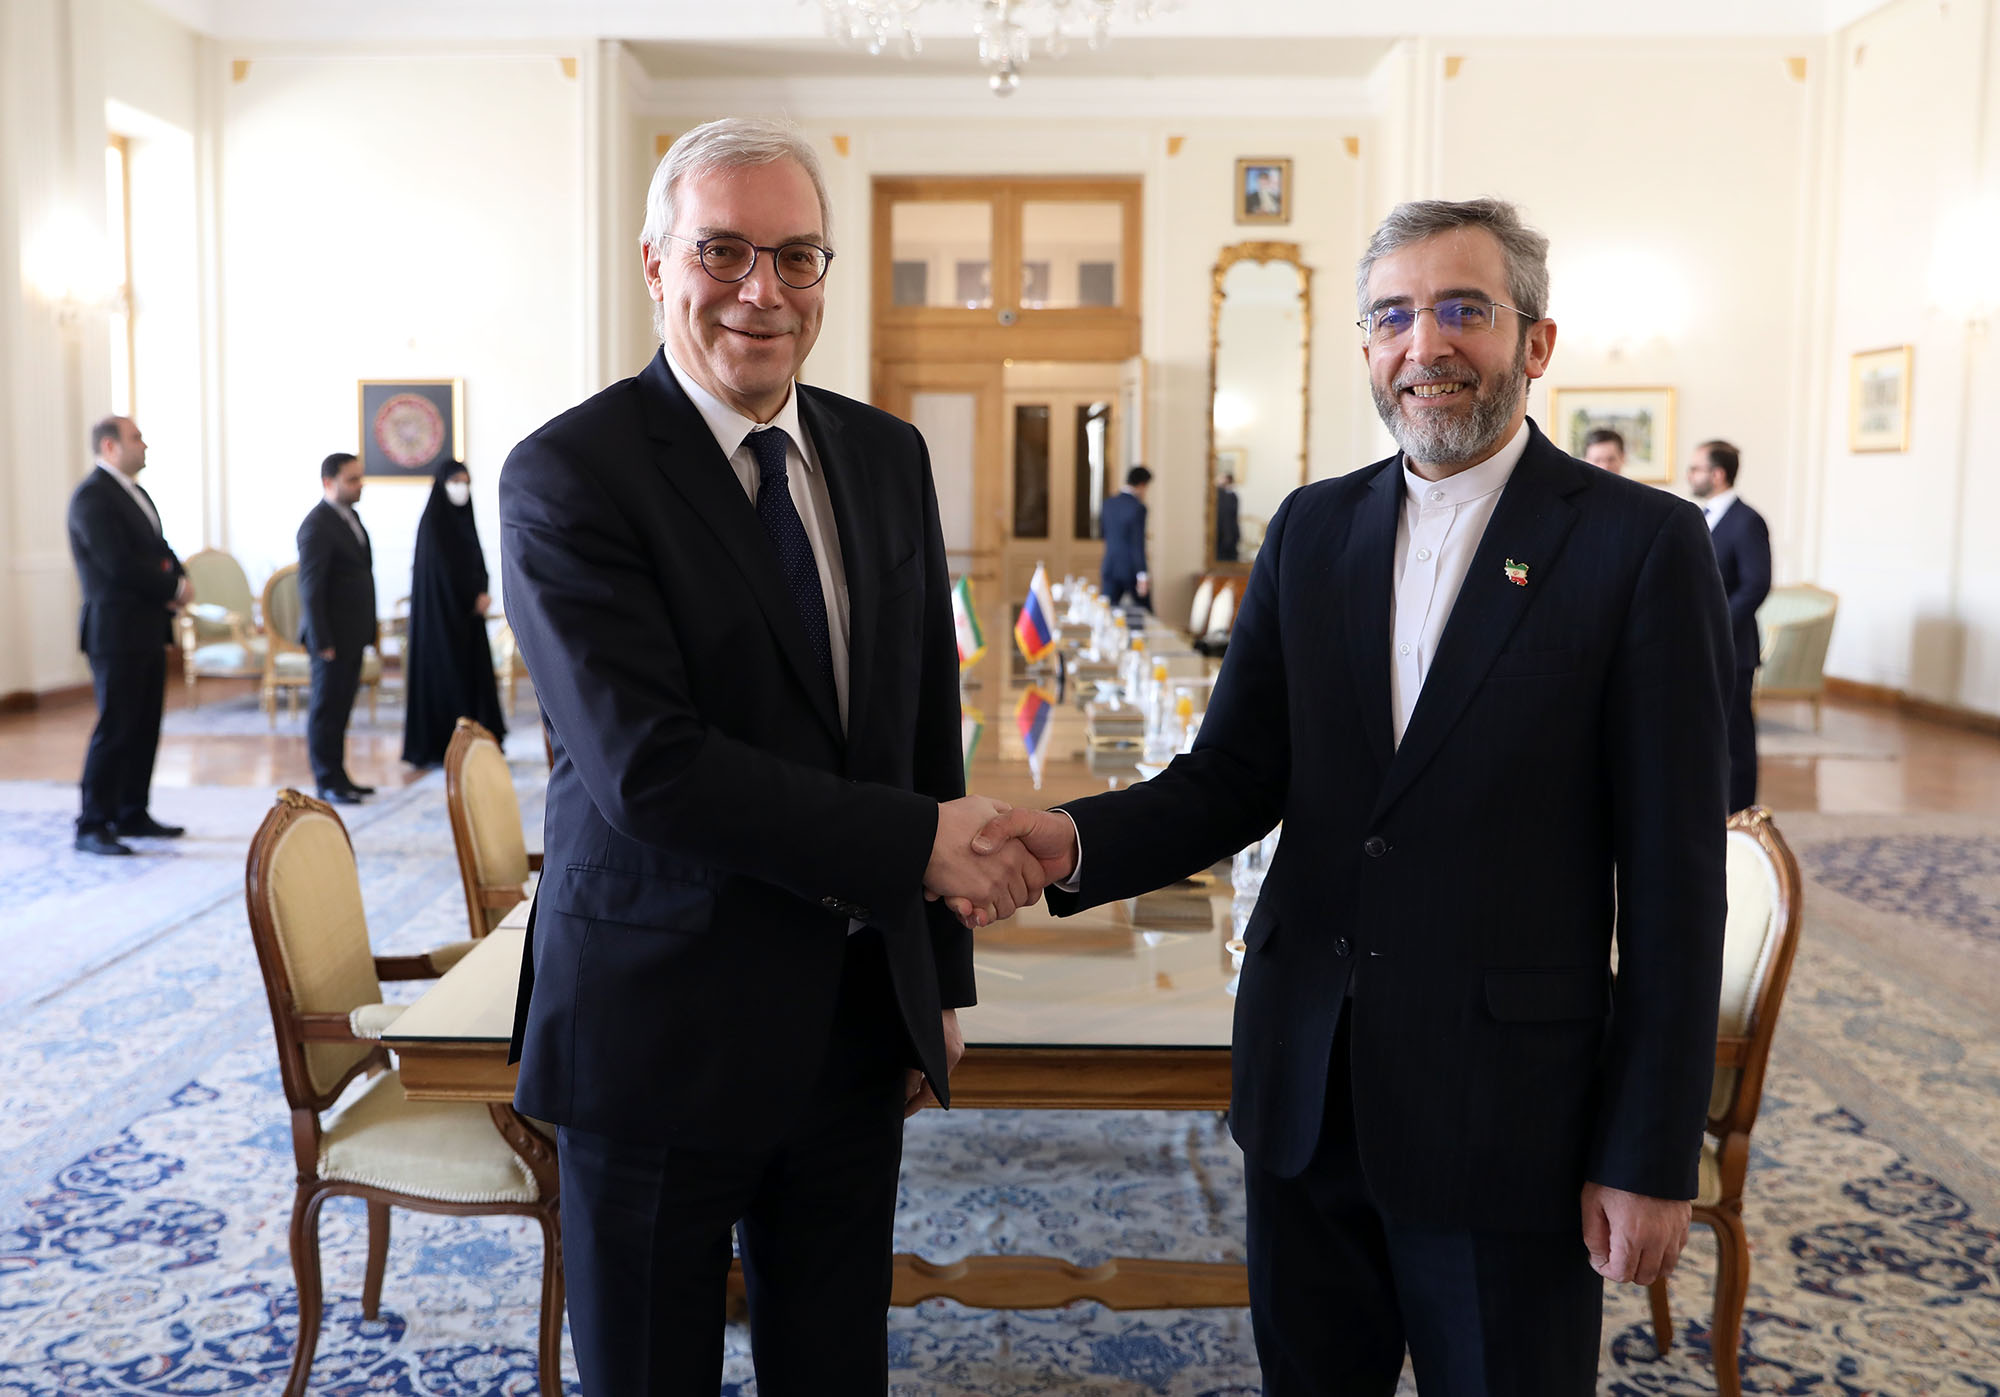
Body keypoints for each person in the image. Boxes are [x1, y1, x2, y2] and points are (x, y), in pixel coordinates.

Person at [967, 198, 1734, 1394]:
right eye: (1390, 316)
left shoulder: (1639, 545)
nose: (1422, 344)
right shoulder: (1311, 528)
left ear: (1534, 341)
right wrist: (1065, 840)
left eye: (1461, 310)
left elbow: (1676, 881)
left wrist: (1646, 1151)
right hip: (1305, 1092)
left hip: (1507, 1117)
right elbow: (1233, 776)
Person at [497, 116, 1045, 1394]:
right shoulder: (569, 473)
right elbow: (649, 770)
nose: (763, 290)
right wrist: (917, 846)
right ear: (655, 263)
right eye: (723, 251)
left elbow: (919, 728)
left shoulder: (885, 454)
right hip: (655, 1031)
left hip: (852, 1028)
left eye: (797, 257)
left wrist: (934, 978)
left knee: (836, 1369)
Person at [67, 416, 187, 856]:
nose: (144, 444)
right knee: (116, 728)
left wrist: (180, 578)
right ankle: (92, 823)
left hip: (148, 628)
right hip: (115, 631)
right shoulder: (92, 497)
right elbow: (118, 565)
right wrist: (172, 587)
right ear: (110, 446)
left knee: (144, 725)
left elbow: (160, 549)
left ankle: (132, 811)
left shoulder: (137, 494)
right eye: (136, 438)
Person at [401, 460, 505, 768]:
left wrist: (482, 591)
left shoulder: (464, 518)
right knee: (448, 679)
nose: (462, 487)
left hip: (469, 620)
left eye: (466, 481)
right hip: (441, 621)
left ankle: (479, 743)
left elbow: (476, 560)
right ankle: (444, 747)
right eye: (456, 481)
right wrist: (468, 598)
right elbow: (441, 575)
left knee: (473, 679)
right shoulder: (433, 524)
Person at [1689, 439, 1771, 812]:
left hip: (1734, 647)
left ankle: (1740, 817)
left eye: (1696, 468)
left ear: (1718, 474)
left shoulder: (1747, 521)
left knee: (1736, 737)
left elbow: (1756, 585)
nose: (1691, 475)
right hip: (1700, 647)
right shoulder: (1697, 516)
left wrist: (1716, 624)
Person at [296, 452, 378, 805]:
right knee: (326, 711)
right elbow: (310, 588)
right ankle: (326, 781)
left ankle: (341, 777)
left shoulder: (349, 518)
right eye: (352, 479)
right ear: (328, 482)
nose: (360, 485)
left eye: (360, 477)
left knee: (341, 709)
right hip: (330, 638)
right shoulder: (317, 525)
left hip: (352, 634)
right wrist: (321, 639)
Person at [1099, 465, 1151, 609]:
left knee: (1107, 611)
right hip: (1131, 569)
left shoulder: (1108, 504)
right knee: (1146, 613)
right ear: (1142, 485)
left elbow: (1103, 534)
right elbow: (1137, 543)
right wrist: (1142, 575)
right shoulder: (1138, 507)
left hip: (1110, 566)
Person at [1215, 470, 1241, 563]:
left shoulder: (1231, 496)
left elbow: (1233, 515)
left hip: (1228, 533)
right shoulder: (1217, 494)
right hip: (1221, 533)